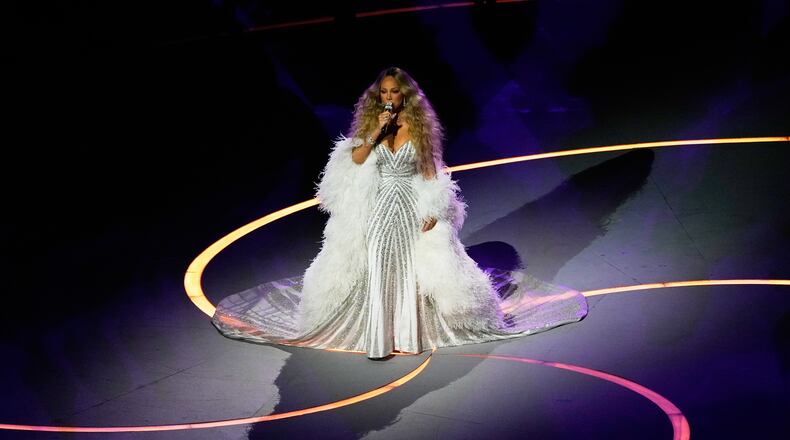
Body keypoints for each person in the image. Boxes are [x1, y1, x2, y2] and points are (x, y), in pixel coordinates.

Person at [211, 67, 588, 360]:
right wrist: (376, 131)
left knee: (408, 264)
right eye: (384, 92)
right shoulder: (370, 125)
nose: (390, 97)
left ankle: (409, 333)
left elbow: (431, 172)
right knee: (376, 262)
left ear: (406, 96)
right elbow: (355, 159)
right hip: (376, 206)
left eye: (396, 92)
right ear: (378, 97)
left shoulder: (420, 129)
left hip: (409, 203)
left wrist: (434, 209)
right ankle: (376, 334)